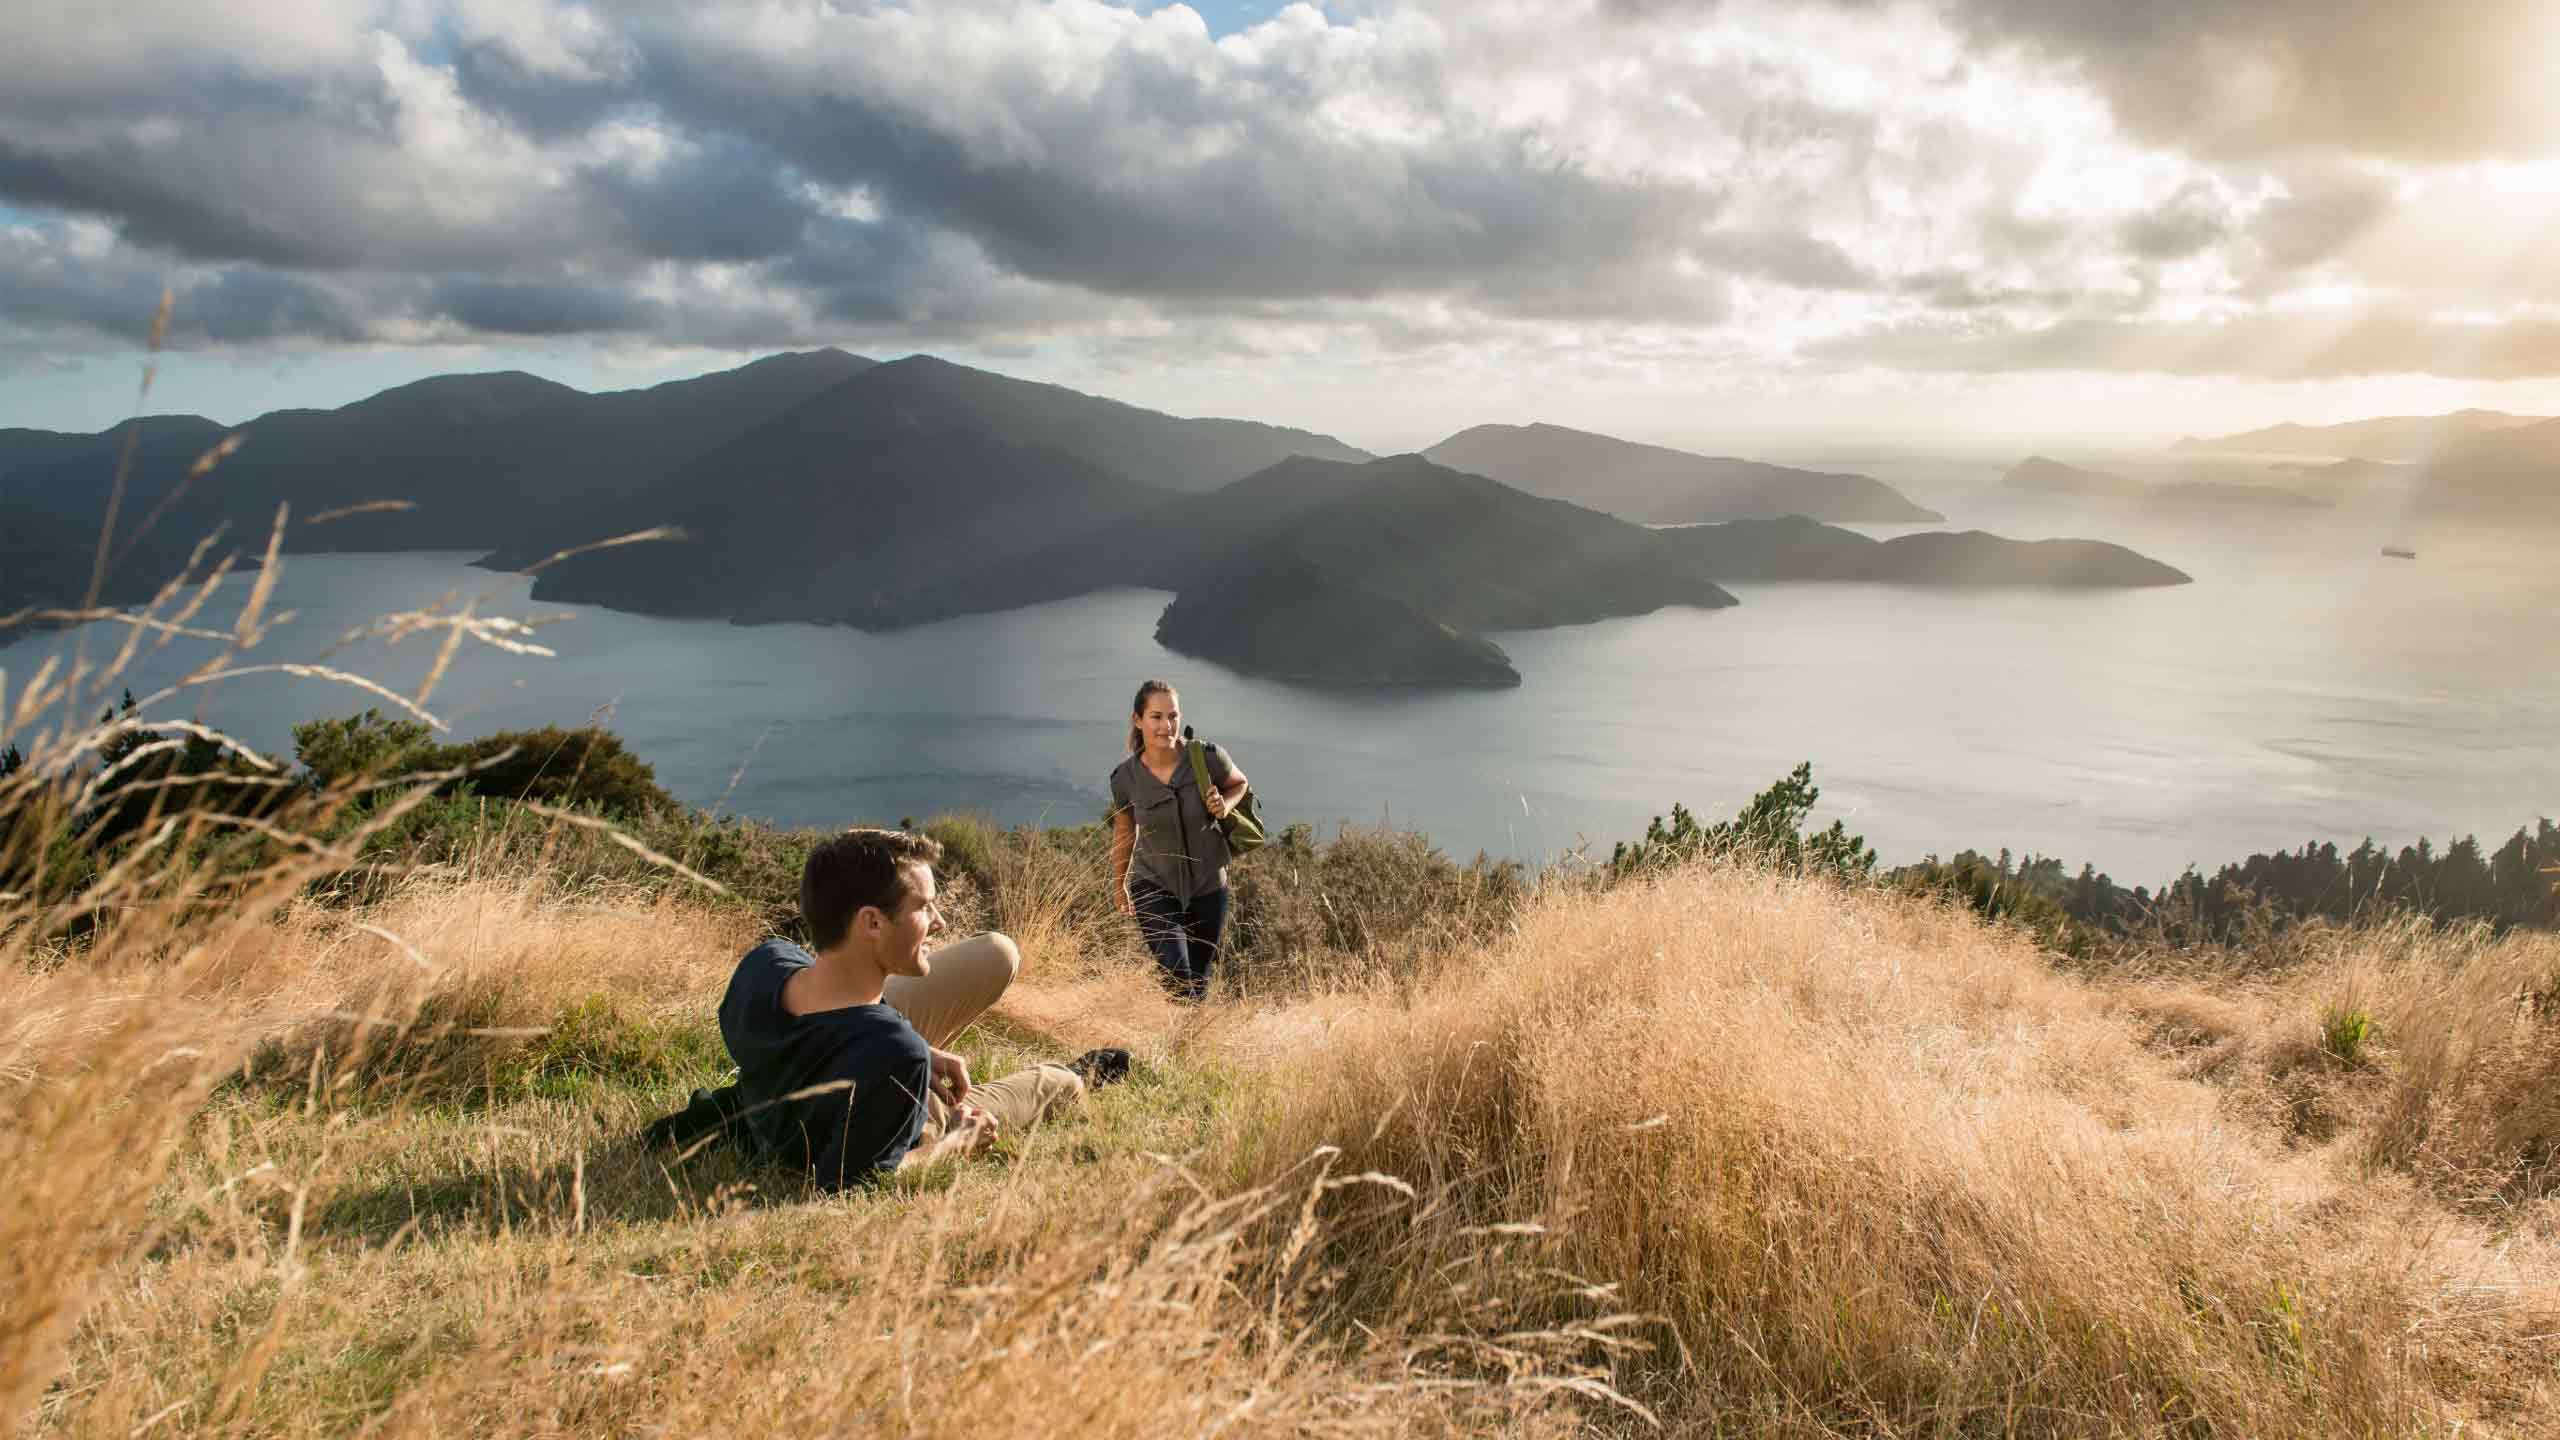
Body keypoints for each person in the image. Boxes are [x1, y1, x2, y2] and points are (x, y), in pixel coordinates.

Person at [647, 827, 1127, 1188]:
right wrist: (956, 1142)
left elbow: (842, 1024)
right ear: (872, 922)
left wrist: (918, 1047)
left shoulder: (765, 964)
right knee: (1059, 1084)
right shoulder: (895, 1056)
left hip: (820, 1058)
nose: (939, 922)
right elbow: (853, 1180)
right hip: (877, 1083)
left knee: (998, 952)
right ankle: (1077, 1073)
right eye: (924, 908)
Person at [1108, 679, 1251, 1001]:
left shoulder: (1207, 757)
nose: (1166, 725)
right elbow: (1124, 833)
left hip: (1208, 883)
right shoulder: (1124, 779)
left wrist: (1224, 805)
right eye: (1156, 716)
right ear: (1138, 720)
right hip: (1153, 883)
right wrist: (1119, 886)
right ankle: (1179, 1037)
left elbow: (1238, 784)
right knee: (1176, 973)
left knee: (1198, 979)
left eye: (1172, 716)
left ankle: (1184, 1047)